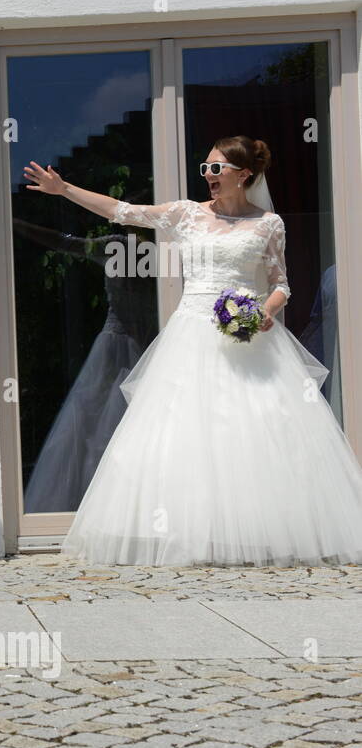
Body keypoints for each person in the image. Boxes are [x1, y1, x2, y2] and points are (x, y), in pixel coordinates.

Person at [23, 136, 362, 565]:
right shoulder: (185, 214)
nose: (209, 177)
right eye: (205, 168)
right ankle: (190, 534)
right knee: (183, 433)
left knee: (254, 431)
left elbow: (281, 285)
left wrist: (263, 312)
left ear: (245, 175)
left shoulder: (269, 224)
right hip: (190, 335)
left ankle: (258, 533)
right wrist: (65, 189)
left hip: (249, 339)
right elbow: (122, 212)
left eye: (217, 169)